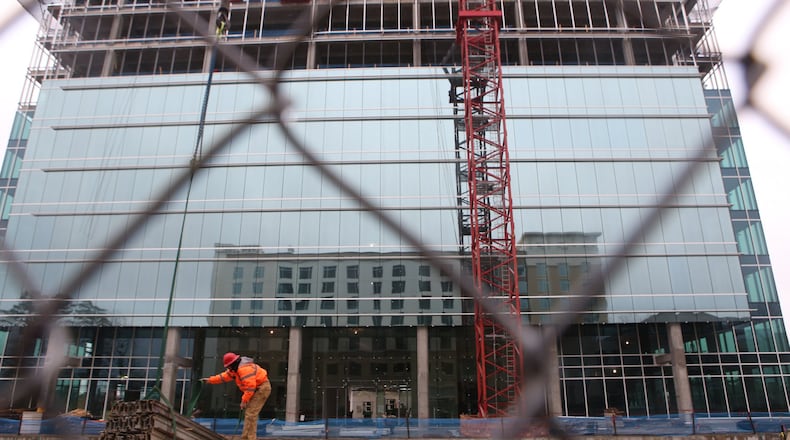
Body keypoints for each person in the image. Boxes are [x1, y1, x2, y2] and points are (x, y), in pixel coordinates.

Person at [200, 352, 271, 440]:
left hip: (261, 388)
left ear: (233, 363)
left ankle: (249, 438)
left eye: (229, 366)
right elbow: (223, 377)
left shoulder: (244, 370)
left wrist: (244, 401)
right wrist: (210, 380)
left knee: (251, 414)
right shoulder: (235, 370)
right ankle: (246, 437)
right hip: (256, 389)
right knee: (249, 414)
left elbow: (250, 388)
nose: (228, 368)